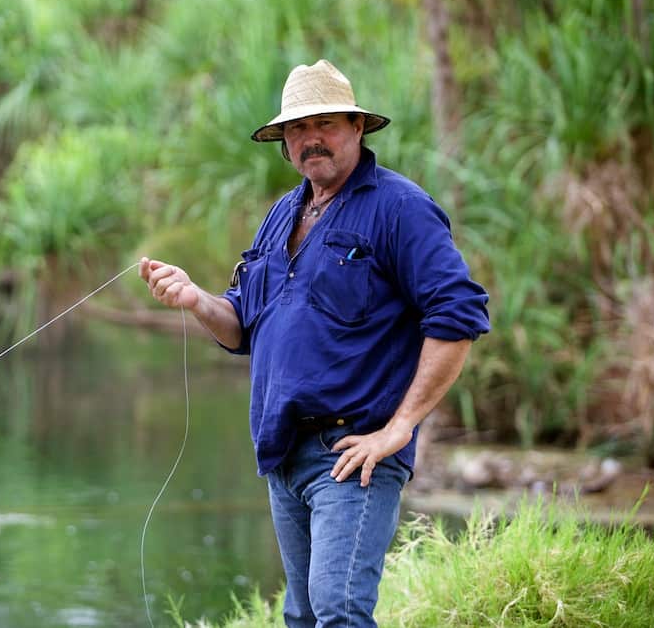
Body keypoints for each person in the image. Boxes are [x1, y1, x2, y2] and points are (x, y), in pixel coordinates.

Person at [139, 59, 490, 627]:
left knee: (339, 611)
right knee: (301, 616)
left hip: (353, 454)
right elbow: (242, 326)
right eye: (297, 129)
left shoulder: (400, 208)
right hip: (282, 453)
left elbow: (459, 313)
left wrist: (399, 429)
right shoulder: (281, 215)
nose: (311, 139)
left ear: (356, 127)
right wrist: (195, 299)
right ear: (284, 144)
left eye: (325, 123)